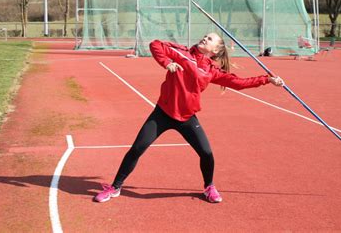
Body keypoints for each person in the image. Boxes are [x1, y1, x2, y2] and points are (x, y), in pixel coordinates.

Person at [94, 33, 284, 203]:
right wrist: (167, 63)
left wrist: (267, 79)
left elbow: (239, 83)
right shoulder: (183, 53)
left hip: (186, 117)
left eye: (210, 39)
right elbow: (156, 44)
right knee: (137, 148)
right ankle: (115, 187)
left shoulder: (211, 71)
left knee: (207, 153)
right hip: (163, 113)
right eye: (205, 36)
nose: (204, 38)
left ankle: (209, 187)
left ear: (216, 50)